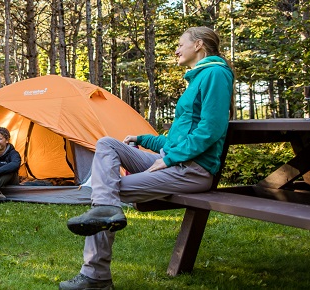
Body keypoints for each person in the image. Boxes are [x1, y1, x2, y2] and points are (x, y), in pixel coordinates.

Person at [60, 26, 235, 289]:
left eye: (180, 43)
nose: (176, 49)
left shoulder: (216, 74)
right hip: (176, 160)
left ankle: (95, 276)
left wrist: (170, 158)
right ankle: (105, 215)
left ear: (198, 45)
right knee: (107, 144)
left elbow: (211, 129)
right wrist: (143, 140)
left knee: (108, 190)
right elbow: (178, 139)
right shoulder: (199, 78)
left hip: (192, 170)